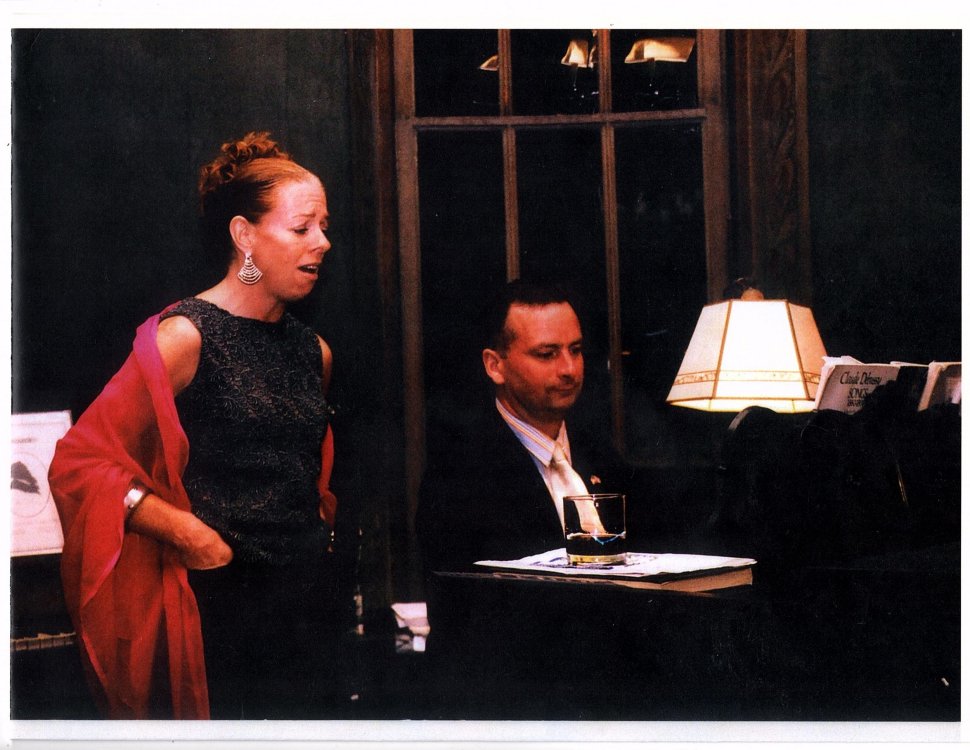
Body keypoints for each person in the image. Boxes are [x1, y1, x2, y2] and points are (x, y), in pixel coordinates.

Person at [48, 131, 342, 720]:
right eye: (302, 228)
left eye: (324, 226)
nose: (323, 242)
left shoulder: (314, 352)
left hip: (308, 609)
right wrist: (188, 533)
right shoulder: (186, 337)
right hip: (222, 610)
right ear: (244, 236)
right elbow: (80, 462)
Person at [415, 279, 635, 717]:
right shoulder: (459, 473)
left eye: (576, 350)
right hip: (513, 709)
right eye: (547, 354)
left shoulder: (601, 454)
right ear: (495, 365)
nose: (569, 369)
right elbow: (472, 629)